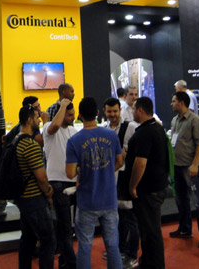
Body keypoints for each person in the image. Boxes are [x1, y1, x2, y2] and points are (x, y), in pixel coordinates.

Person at [66, 97, 124, 269]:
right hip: (109, 199)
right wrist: (105, 171)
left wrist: (85, 171)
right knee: (113, 245)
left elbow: (70, 173)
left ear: (80, 116)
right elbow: (120, 161)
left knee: (84, 246)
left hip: (87, 201)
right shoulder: (111, 135)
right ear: (98, 113)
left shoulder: (74, 141)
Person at [127, 96, 169, 269]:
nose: (132, 112)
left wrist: (132, 186)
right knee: (148, 231)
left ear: (140, 110)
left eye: (134, 109)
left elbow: (140, 163)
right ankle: (147, 262)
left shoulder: (145, 132)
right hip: (157, 185)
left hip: (148, 189)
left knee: (151, 233)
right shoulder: (157, 128)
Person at [169, 91, 199, 248]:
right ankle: (185, 229)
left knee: (198, 202)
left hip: (189, 167)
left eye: (173, 101)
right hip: (177, 166)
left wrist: (195, 164)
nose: (171, 104)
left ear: (181, 102)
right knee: (181, 200)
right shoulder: (174, 120)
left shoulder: (196, 121)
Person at [15, 104, 55, 269]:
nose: (39, 120)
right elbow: (41, 177)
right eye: (37, 118)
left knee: (28, 238)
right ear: (29, 120)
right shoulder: (30, 145)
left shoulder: (16, 141)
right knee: (48, 240)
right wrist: (48, 192)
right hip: (34, 199)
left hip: (22, 198)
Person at [102, 97, 139, 268]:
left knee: (130, 218)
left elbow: (139, 149)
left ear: (120, 111)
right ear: (105, 111)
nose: (112, 114)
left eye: (115, 111)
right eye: (109, 111)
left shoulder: (130, 127)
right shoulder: (104, 129)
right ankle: (120, 249)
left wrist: (126, 153)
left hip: (125, 178)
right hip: (111, 179)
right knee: (118, 217)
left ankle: (132, 254)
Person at [43, 99, 77, 269]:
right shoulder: (48, 128)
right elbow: (55, 125)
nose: (73, 117)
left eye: (73, 114)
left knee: (69, 228)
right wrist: (62, 105)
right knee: (64, 228)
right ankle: (71, 264)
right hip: (57, 183)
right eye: (69, 115)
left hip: (74, 183)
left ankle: (65, 261)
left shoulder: (73, 131)